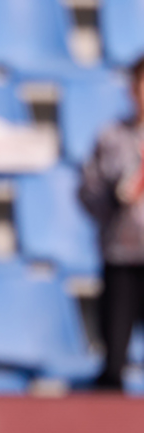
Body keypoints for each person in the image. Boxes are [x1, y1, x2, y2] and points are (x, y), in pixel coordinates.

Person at [80, 57, 144, 392]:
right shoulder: (111, 138)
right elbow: (87, 192)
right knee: (114, 358)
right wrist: (113, 200)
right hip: (121, 256)